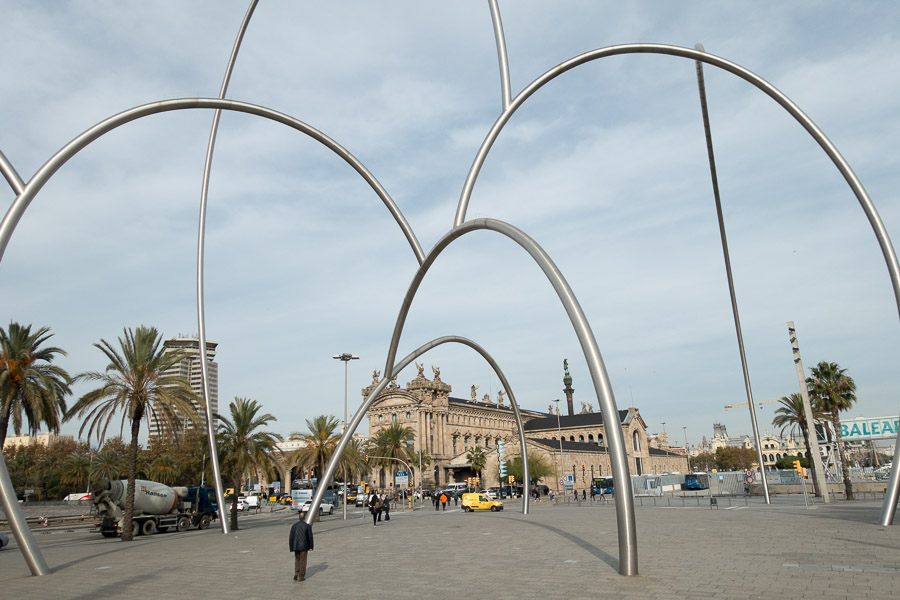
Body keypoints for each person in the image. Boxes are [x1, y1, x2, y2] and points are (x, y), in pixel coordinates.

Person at [288, 513, 314, 582]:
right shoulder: (307, 526)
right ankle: (301, 576)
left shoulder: (294, 526)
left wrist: (291, 547)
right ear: (304, 518)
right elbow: (310, 537)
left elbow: (291, 537)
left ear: (299, 518)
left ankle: (296, 573)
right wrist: (311, 546)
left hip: (295, 545)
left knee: (297, 560)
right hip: (304, 546)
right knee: (303, 561)